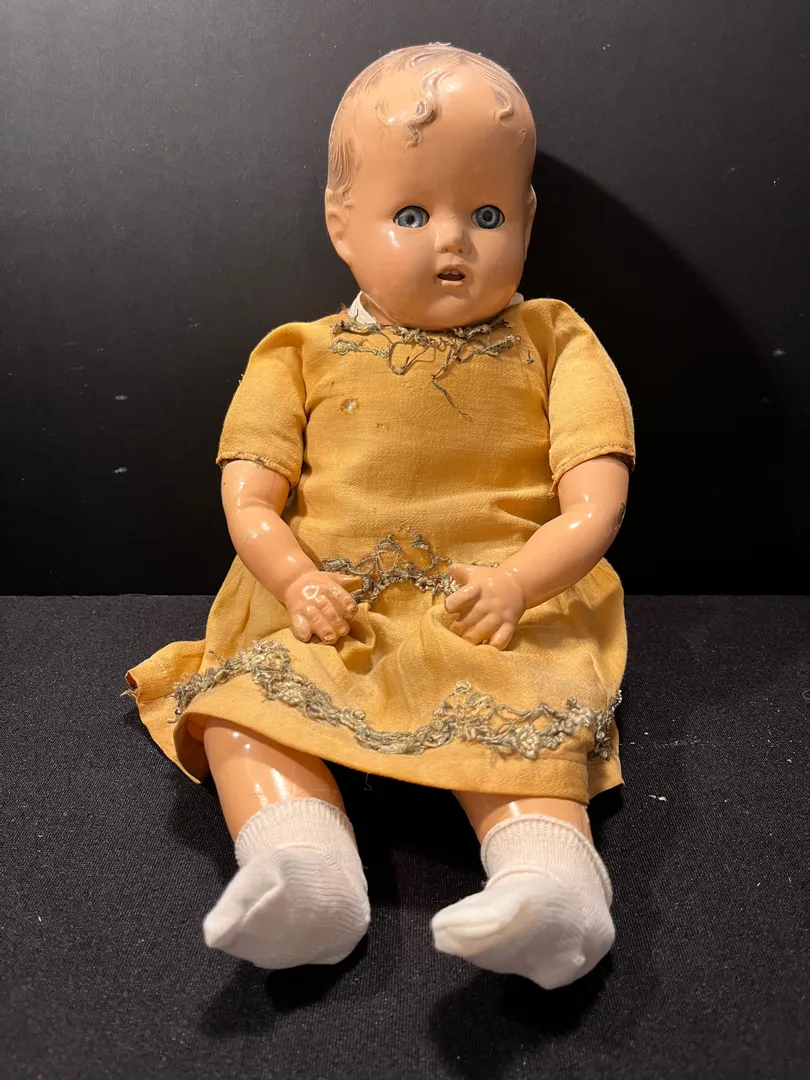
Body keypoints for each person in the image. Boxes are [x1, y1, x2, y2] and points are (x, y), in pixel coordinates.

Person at [125, 43, 636, 991]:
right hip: (331, 606)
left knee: (520, 721)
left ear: (528, 219)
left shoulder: (555, 340)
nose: (454, 242)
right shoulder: (296, 354)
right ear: (342, 224)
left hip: (495, 602)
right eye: (411, 214)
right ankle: (300, 867)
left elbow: (595, 500)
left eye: (487, 215)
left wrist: (521, 581)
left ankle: (552, 886)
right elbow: (249, 497)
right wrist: (294, 579)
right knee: (246, 709)